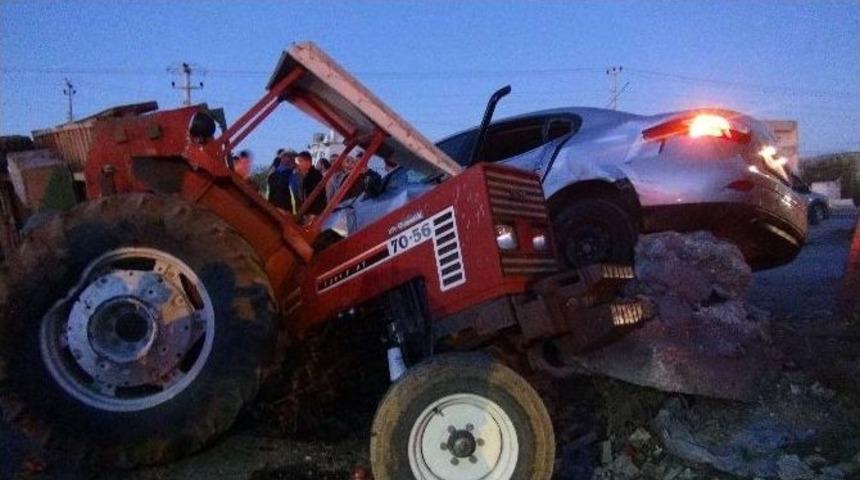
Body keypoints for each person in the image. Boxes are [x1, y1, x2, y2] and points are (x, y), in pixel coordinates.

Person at [295, 150, 326, 215]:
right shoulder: (306, 176)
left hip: (314, 214)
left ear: (308, 162)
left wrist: (312, 214)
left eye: (300, 161)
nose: (298, 164)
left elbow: (318, 197)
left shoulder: (315, 176)